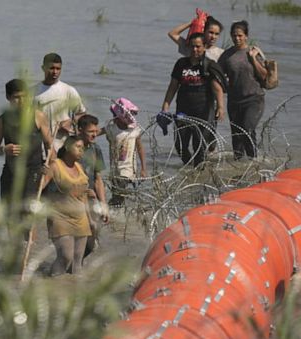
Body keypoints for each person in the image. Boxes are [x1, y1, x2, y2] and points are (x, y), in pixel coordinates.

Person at [0, 79, 53, 240]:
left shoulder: (38, 117)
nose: (21, 101)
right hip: (10, 173)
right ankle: (14, 252)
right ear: (8, 98)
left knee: (28, 216)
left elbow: (50, 146)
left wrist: (49, 169)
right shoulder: (2, 120)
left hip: (33, 172)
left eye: (25, 97)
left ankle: (28, 252)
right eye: (17, 97)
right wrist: (4, 149)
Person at [159, 33, 226, 167]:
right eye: (192, 46)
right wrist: (165, 106)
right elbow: (173, 87)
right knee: (181, 146)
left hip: (204, 113)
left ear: (205, 47)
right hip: (183, 111)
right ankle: (189, 170)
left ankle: (198, 173)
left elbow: (218, 89)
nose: (195, 50)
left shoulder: (209, 66)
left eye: (198, 46)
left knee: (198, 146)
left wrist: (220, 107)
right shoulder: (181, 64)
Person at [42, 136, 92, 276]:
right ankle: (52, 281)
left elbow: (84, 197)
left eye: (83, 148)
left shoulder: (80, 167)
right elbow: (40, 189)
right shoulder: (54, 165)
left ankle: (75, 290)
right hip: (59, 217)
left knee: (77, 262)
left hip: (81, 218)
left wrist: (90, 219)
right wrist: (40, 176)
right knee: (66, 256)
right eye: (78, 147)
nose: (82, 151)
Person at [218, 20, 267, 160]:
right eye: (234, 35)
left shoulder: (254, 52)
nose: (237, 38)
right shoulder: (227, 55)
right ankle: (239, 166)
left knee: (247, 128)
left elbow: (264, 75)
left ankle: (254, 161)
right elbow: (217, 75)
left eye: (240, 35)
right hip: (234, 101)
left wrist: (253, 59)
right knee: (237, 136)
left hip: (254, 99)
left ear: (246, 36)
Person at [98, 98, 147, 207]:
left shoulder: (134, 131)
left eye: (115, 116)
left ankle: (107, 210)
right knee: (117, 194)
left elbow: (140, 149)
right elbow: (95, 133)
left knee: (120, 193)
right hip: (115, 169)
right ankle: (115, 213)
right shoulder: (111, 128)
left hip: (128, 169)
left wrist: (143, 169)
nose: (113, 118)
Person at [34, 53, 86, 152]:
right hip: (39, 148)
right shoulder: (34, 92)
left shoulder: (68, 90)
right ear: (43, 68)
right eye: (51, 68)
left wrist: (70, 122)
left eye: (58, 69)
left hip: (62, 146)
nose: (55, 72)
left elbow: (82, 112)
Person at [77, 114, 109, 257]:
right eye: (90, 132)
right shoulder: (71, 148)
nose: (94, 135)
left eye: (96, 131)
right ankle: (70, 270)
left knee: (91, 240)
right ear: (80, 130)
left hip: (91, 198)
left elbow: (98, 179)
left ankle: (73, 268)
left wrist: (103, 204)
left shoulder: (96, 150)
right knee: (77, 239)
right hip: (74, 199)